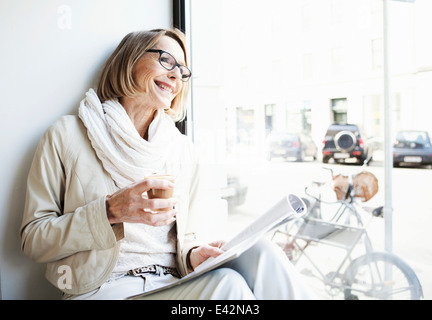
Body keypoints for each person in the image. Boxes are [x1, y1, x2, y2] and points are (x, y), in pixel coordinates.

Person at [20, 28, 315, 300]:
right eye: (166, 61)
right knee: (228, 286)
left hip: (171, 285)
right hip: (104, 289)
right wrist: (110, 211)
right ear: (129, 60)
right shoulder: (67, 135)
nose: (176, 77)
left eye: (183, 71)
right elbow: (34, 239)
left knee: (263, 251)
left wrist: (193, 255)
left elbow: (185, 240)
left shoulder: (182, 151)